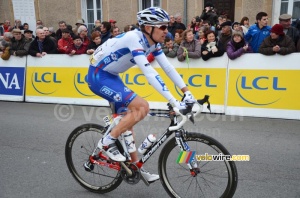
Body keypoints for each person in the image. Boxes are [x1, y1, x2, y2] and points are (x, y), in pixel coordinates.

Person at [87, 7, 196, 183]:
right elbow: (150, 73)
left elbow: (167, 67)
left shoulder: (153, 42)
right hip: (98, 76)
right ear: (148, 28)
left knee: (128, 122)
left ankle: (135, 166)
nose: (166, 31)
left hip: (112, 76)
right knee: (142, 107)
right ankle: (107, 142)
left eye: (167, 27)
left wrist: (188, 93)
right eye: (162, 27)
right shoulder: (134, 38)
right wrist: (173, 101)